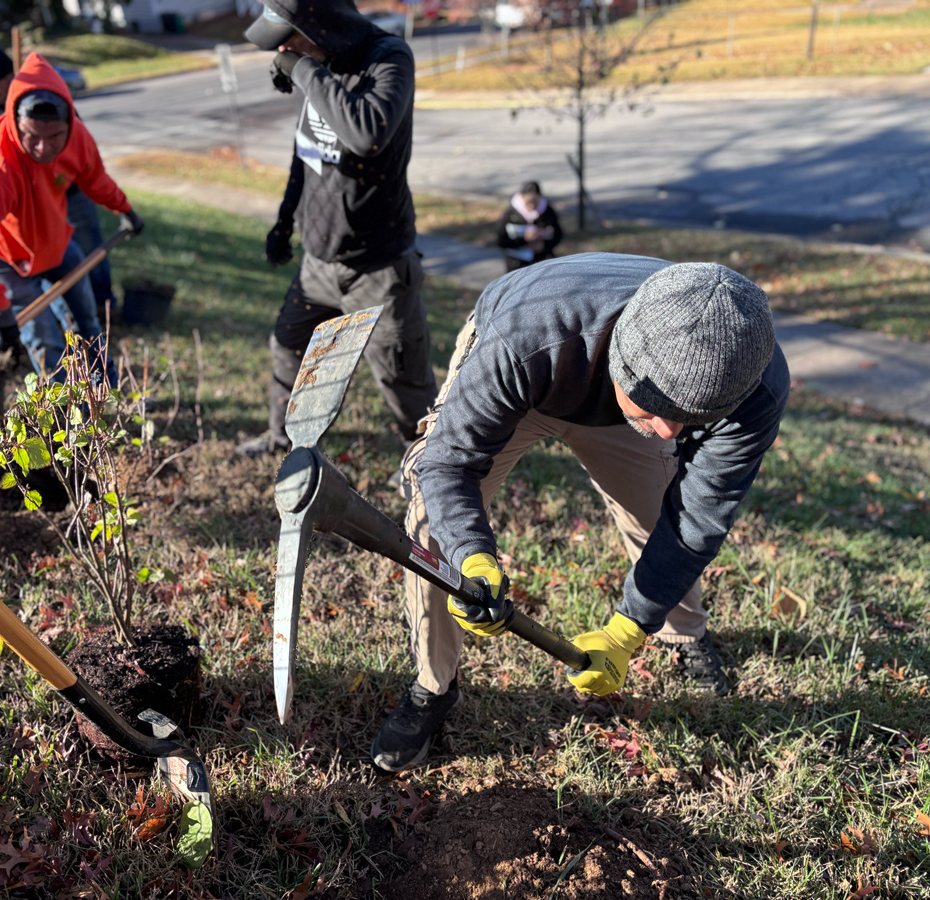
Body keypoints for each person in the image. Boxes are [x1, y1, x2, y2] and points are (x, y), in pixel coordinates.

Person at [369, 252, 789, 773]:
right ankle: (434, 685)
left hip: (613, 392)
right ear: (625, 362)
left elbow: (697, 521)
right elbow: (450, 464)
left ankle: (685, 632)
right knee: (434, 529)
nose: (669, 434)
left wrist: (627, 631)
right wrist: (472, 559)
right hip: (540, 369)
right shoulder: (525, 335)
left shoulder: (751, 378)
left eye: (690, 419)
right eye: (659, 413)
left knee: (661, 516)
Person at [237, 0, 438, 458]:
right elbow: (306, 152)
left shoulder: (388, 59)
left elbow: (366, 134)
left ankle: (429, 471)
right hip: (318, 263)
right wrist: (284, 221)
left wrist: (305, 71)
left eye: (289, 37)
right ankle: (283, 442)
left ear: (321, 25)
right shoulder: (320, 67)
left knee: (403, 381)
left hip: (378, 269)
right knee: (288, 348)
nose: (284, 50)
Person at [0, 53, 143, 385]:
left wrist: (124, 209)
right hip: (9, 256)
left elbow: (94, 179)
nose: (43, 148)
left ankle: (105, 392)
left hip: (54, 242)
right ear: (14, 122)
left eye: (54, 137)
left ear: (69, 121)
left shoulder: (76, 137)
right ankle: (69, 419)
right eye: (32, 136)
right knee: (45, 343)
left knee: (87, 320)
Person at [0, 41, 118, 315]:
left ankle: (104, 304)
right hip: (31, 203)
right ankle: (72, 318)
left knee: (88, 247)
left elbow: (73, 146)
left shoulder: (45, 95)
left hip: (66, 190)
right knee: (54, 264)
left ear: (7, 75)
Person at [495, 180, 562, 273]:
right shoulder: (511, 214)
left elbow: (558, 234)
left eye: (535, 201)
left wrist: (544, 247)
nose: (532, 205)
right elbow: (501, 241)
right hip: (516, 266)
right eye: (529, 201)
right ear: (522, 196)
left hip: (542, 263)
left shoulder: (547, 211)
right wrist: (525, 240)